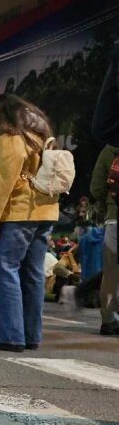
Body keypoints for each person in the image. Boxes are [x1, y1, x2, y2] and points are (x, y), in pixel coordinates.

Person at [0, 94, 57, 352]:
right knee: (33, 275)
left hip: (18, 214)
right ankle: (31, 335)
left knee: (5, 270)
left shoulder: (8, 139)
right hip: (45, 213)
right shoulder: (38, 138)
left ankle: (10, 336)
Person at [90, 143, 118, 335]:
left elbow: (97, 187)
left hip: (114, 216)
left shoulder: (110, 149)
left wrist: (107, 202)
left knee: (111, 273)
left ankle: (109, 319)